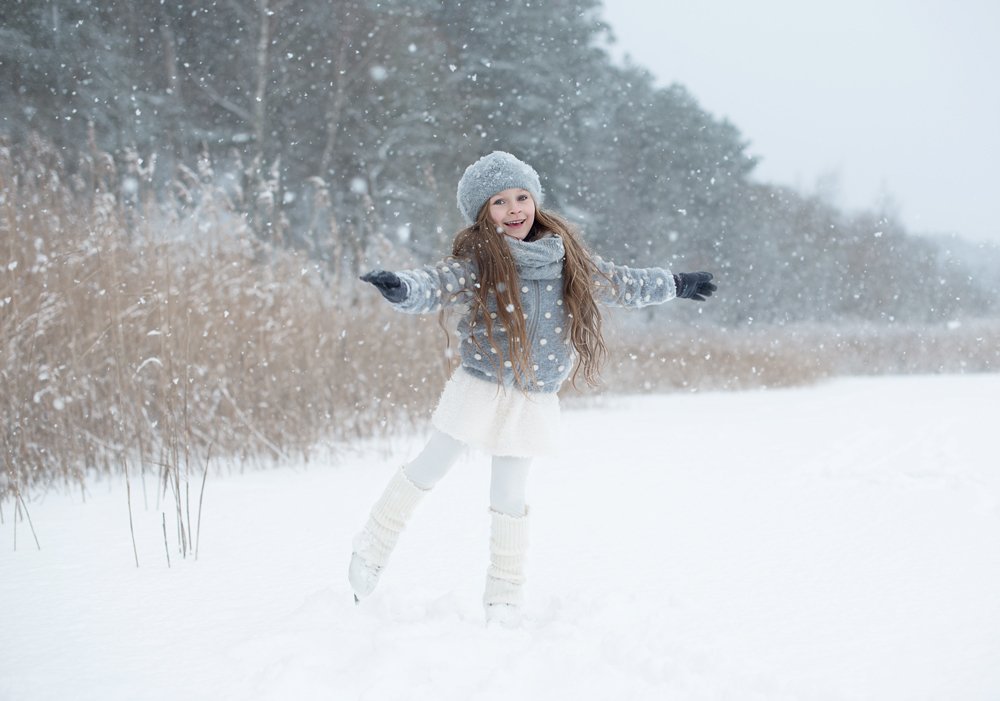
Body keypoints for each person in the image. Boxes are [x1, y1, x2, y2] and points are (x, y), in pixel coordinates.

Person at [349, 151, 716, 627]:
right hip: (482, 383)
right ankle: (370, 552)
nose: (514, 208)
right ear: (484, 214)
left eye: (521, 196)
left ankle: (503, 597)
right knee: (430, 467)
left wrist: (675, 283)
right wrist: (401, 288)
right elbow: (437, 283)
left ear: (536, 202)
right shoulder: (480, 261)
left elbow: (619, 282)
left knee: (509, 497)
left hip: (533, 394)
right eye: (499, 202)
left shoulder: (567, 258)